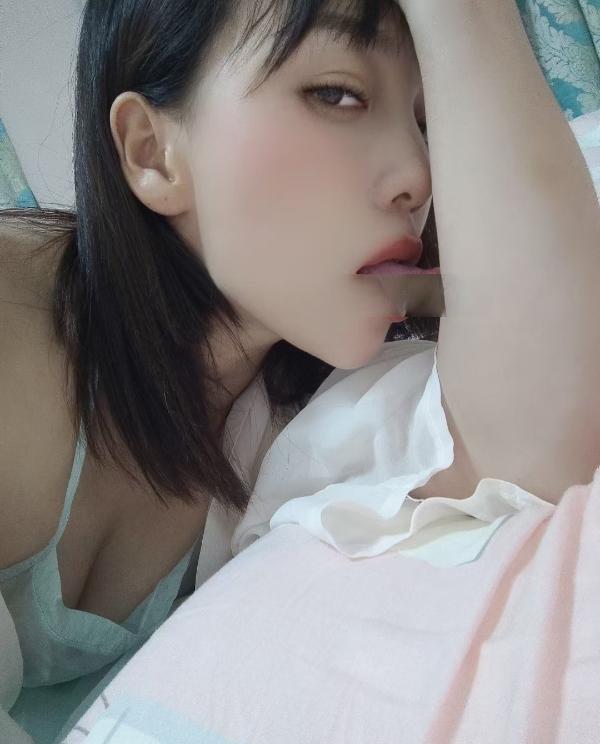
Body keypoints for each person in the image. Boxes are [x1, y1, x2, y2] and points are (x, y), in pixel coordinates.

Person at [1, 0, 599, 741]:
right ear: (153, 152)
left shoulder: (304, 389)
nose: (418, 176)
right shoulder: (15, 329)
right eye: (337, 94)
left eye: (426, 120)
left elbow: (540, 440)